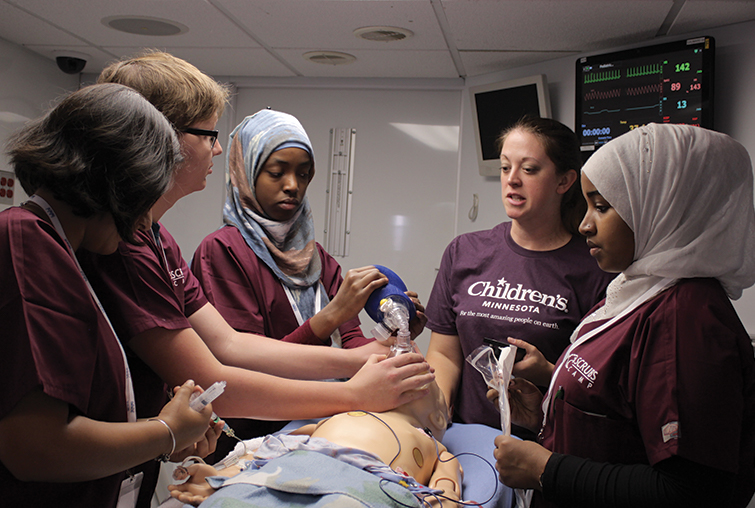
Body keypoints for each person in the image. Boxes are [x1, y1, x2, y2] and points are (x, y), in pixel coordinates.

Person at [78, 51, 434, 506]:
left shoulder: (157, 239)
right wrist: (352, 391)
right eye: (209, 134)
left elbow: (231, 344)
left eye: (303, 174)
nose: (219, 148)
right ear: (156, 138)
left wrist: (373, 357)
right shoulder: (133, 246)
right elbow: (216, 375)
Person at [493, 123, 755, 508]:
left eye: (601, 206)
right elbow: (621, 417)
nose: (584, 224)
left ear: (665, 207)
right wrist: (552, 409)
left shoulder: (688, 318)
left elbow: (691, 491)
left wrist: (547, 469)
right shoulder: (638, 289)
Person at [0, 83, 220, 507]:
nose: (142, 223)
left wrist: (166, 436)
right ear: (118, 184)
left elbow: (85, 416)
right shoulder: (25, 242)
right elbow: (35, 447)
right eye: (146, 197)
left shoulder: (65, 251)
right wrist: (165, 431)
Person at [191, 108, 427, 442]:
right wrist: (330, 316)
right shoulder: (223, 251)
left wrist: (392, 336)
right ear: (246, 172)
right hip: (256, 433)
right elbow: (246, 366)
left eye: (303, 175)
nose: (292, 186)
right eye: (277, 172)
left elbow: (352, 346)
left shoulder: (316, 258)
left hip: (326, 425)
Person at [424, 116, 613, 434]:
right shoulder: (464, 252)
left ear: (564, 182)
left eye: (529, 169)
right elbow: (444, 354)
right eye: (505, 167)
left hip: (548, 447)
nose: (512, 180)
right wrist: (435, 419)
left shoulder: (594, 269)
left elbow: (600, 384)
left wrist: (550, 373)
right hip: (466, 441)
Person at [168, 379, 461, 508]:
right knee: (237, 499)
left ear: (437, 416)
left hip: (367, 483)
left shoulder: (431, 442)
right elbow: (274, 447)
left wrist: (443, 500)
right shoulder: (339, 416)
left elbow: (447, 481)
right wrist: (229, 474)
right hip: (291, 468)